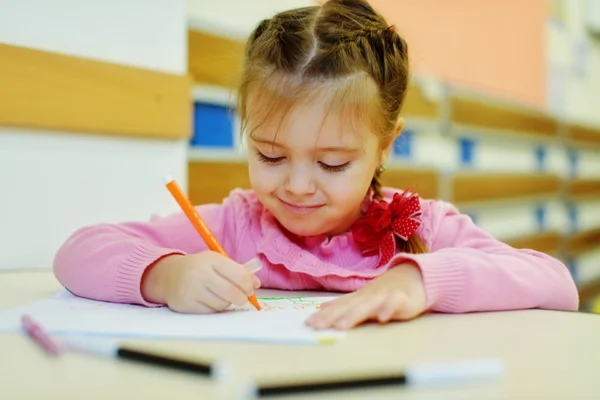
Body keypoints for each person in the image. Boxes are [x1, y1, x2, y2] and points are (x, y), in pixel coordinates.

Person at [53, 0, 579, 331]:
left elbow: (556, 283)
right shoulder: (236, 224)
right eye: (270, 155)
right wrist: (164, 276)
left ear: (385, 146)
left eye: (332, 163)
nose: (297, 187)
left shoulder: (423, 227)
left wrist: (423, 281)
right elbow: (77, 252)